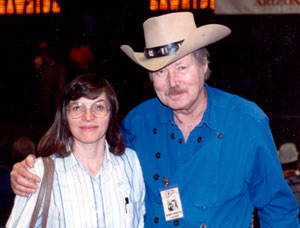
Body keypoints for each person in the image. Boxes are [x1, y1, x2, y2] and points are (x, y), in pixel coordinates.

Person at [10, 12, 299, 227]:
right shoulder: (138, 123)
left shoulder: (246, 123)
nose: (172, 82)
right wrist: (32, 171)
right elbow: (93, 156)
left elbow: (278, 209)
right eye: (160, 72)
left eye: (182, 67)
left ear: (204, 65)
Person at [6, 74, 145, 227]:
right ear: (65, 115)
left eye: (99, 107)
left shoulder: (130, 162)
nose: (88, 116)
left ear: (111, 113)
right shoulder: (39, 173)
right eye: (77, 107)